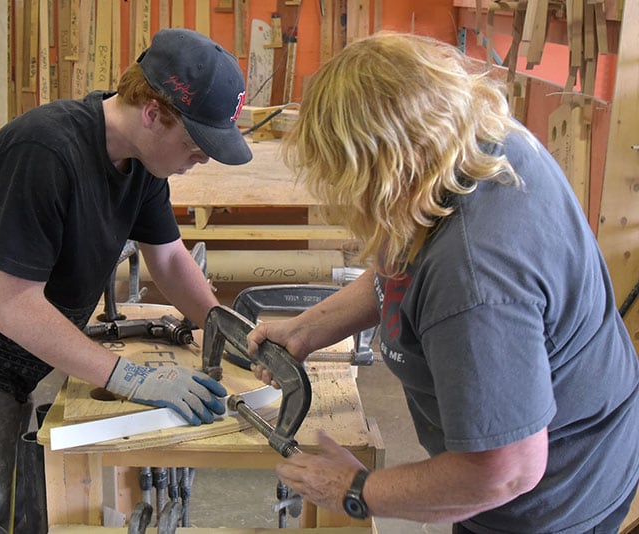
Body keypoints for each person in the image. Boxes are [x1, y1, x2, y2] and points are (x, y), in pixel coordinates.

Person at [247, 31, 639, 533]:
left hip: (551, 502)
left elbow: (503, 473)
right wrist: (309, 329)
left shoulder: (475, 281)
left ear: (383, 169)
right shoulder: (476, 141)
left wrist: (352, 490)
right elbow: (406, 257)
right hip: (572, 442)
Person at [0, 28, 251, 533]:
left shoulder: (141, 162)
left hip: (7, 354)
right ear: (154, 113)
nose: (202, 157)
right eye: (196, 143)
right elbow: (11, 307)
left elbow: (167, 259)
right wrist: (131, 378)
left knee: (7, 497)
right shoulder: (46, 151)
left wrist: (219, 323)